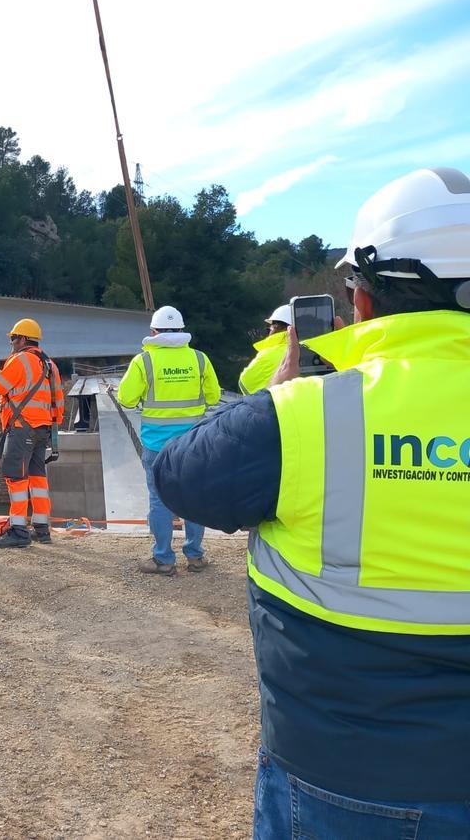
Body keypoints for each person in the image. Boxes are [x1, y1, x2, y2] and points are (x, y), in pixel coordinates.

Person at [153, 167, 470, 837]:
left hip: (344, 783)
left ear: (362, 300)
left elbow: (178, 474)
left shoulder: (306, 418)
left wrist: (282, 391)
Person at [117, 304, 220, 575]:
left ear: (153, 331)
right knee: (194, 497)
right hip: (194, 444)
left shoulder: (144, 361)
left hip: (157, 445)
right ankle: (195, 556)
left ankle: (163, 559)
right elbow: (213, 397)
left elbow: (126, 398)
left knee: (159, 500)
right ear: (182, 330)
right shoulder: (199, 359)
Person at [0, 318, 64, 548]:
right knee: (37, 478)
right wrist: (52, 427)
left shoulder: (20, 360)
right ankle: (42, 529)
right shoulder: (50, 365)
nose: (11, 342)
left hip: (22, 429)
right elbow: (58, 401)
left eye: (13, 338)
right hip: (43, 429)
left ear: (22, 339)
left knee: (16, 478)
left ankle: (19, 530)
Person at [238, 304, 292, 395]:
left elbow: (245, 382)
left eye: (271, 327)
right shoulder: (312, 350)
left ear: (277, 327)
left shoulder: (268, 354)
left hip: (275, 406)